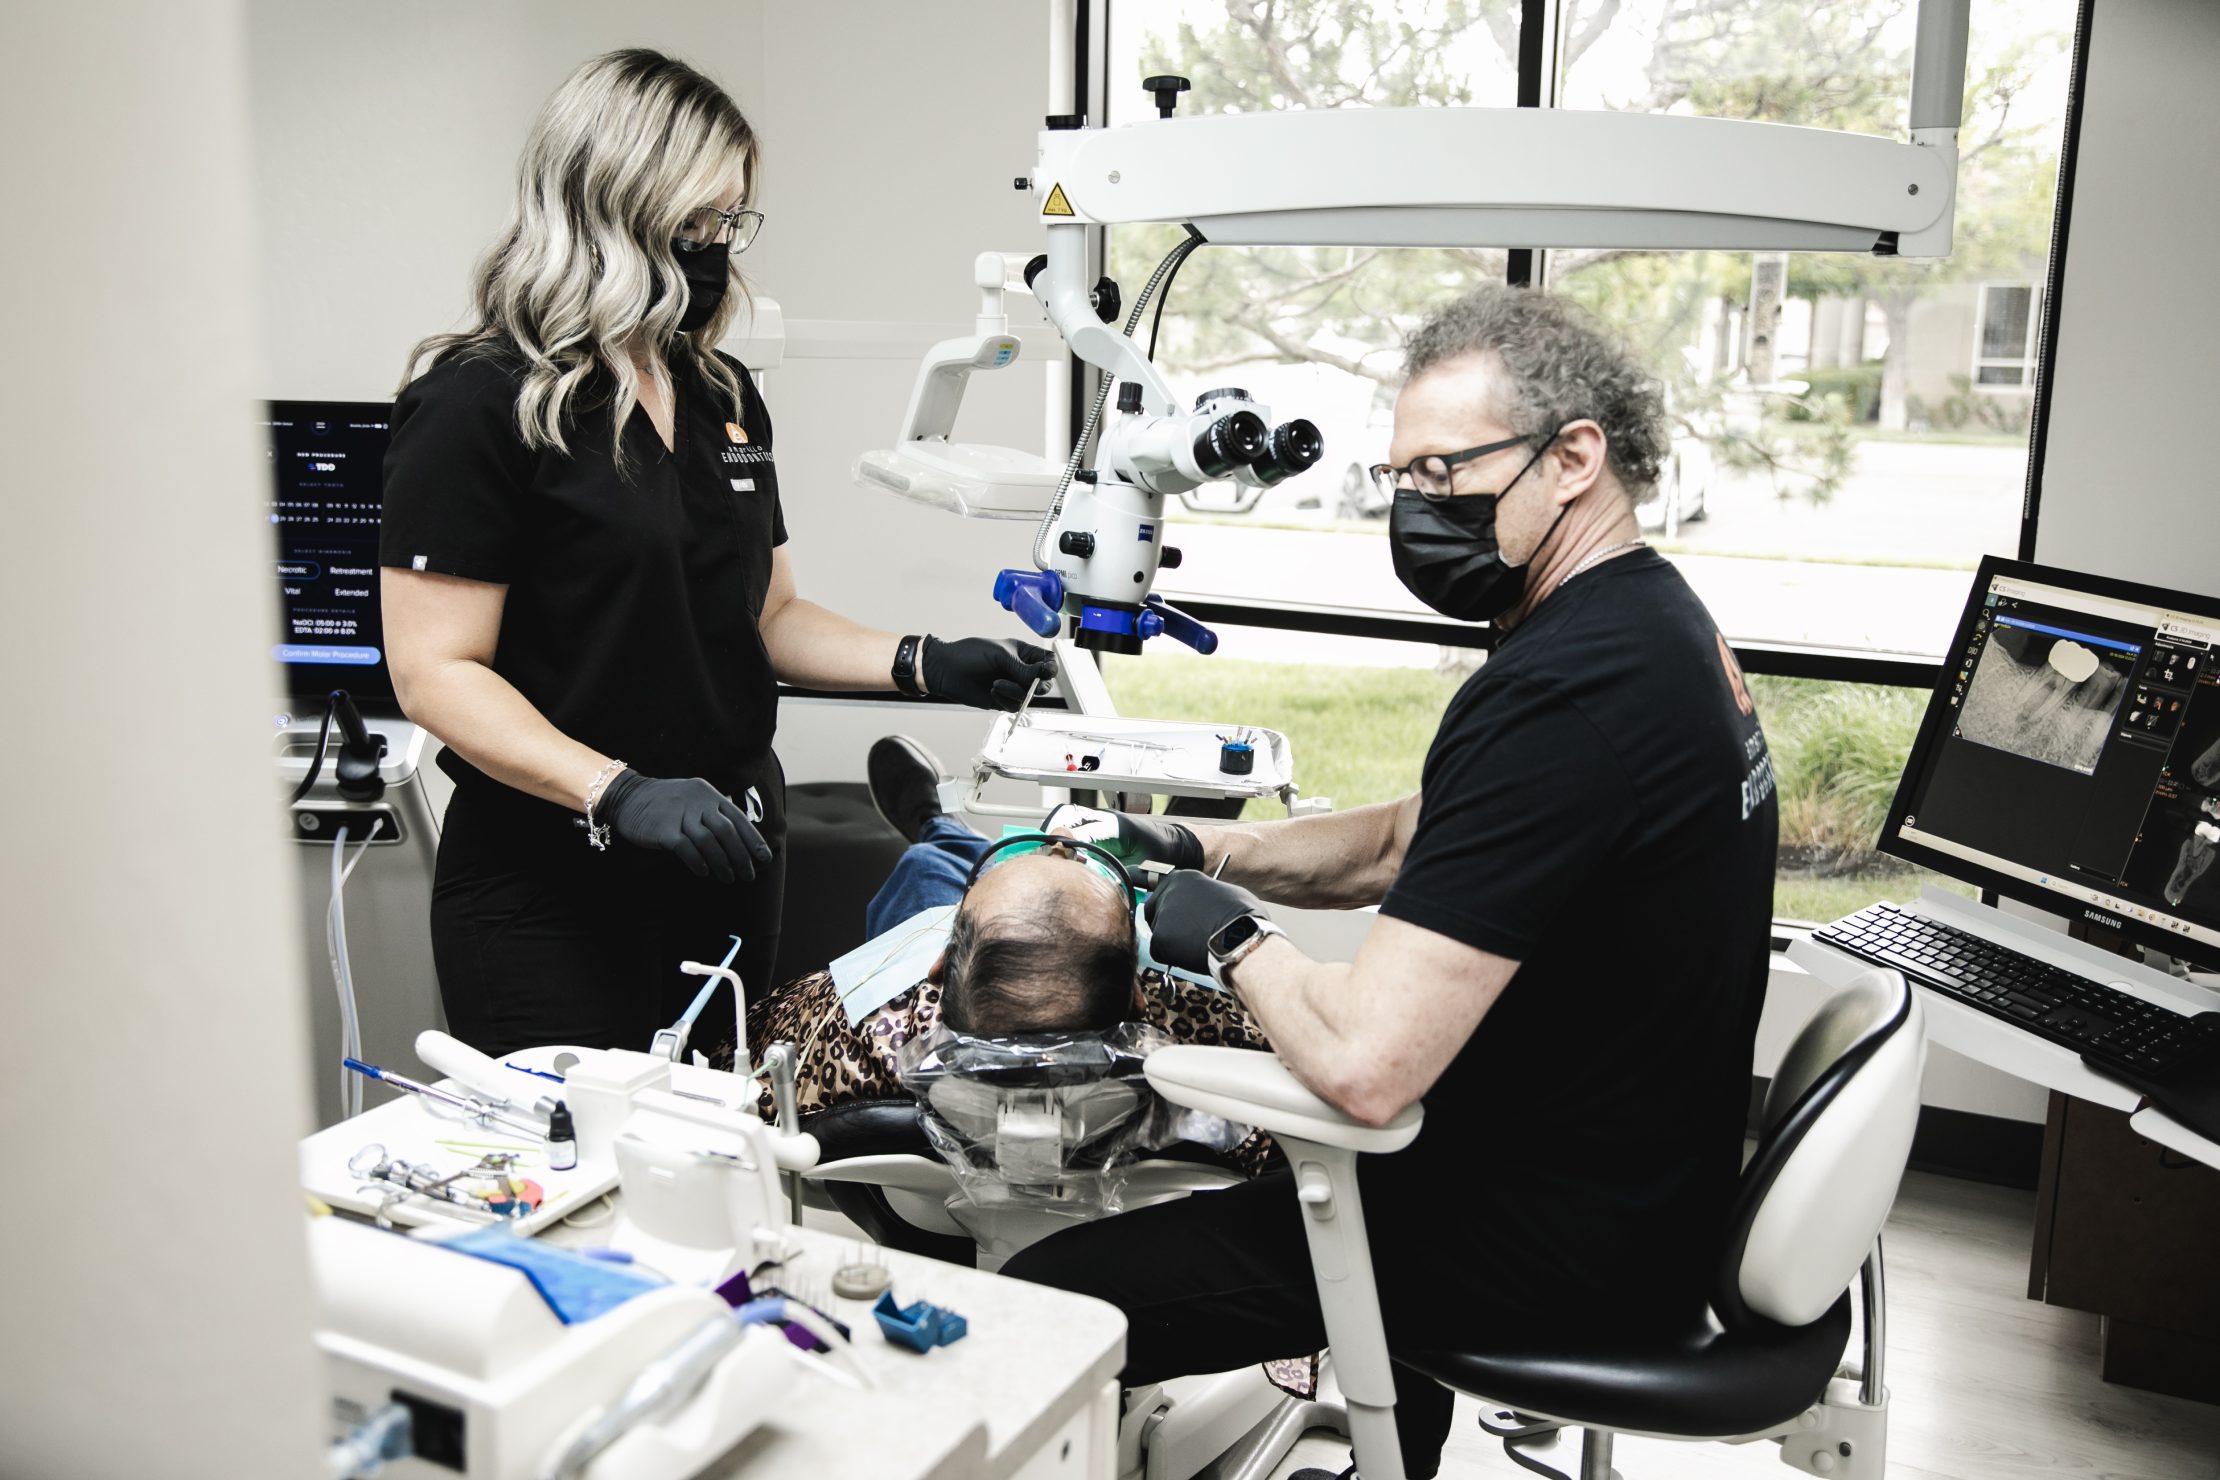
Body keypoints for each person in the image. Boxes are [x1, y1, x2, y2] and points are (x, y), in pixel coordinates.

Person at [1002, 284, 1781, 1480]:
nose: (1415, 508)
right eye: (1399, 477)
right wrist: (1204, 850)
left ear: (1574, 458)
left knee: (1041, 1301)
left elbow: (1367, 1067)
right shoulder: (1648, 626)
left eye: (1442, 473)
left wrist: (1228, 938)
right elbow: (1410, 842)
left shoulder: (1564, 695)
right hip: (1641, 1193)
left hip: (1540, 1244)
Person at [379, 50, 1053, 1058]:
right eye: (692, 224)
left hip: (729, 857)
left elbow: (767, 615)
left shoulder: (722, 393)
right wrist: (617, 789)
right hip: (551, 882)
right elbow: (434, 670)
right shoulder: (479, 402)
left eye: (728, 222)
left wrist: (923, 661)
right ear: (607, 207)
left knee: (718, 1134)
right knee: (582, 1149)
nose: (715, 252)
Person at [744, 735, 1268, 1120]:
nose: (1059, 845)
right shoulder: (1216, 1044)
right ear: (1137, 994)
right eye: (1071, 860)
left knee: (926, 867)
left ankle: (939, 828)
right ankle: (1167, 851)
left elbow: (739, 1067)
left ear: (940, 965)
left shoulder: (842, 1035)